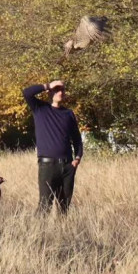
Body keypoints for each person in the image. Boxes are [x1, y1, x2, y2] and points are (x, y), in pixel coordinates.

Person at [23, 80, 84, 212]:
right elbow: (27, 93)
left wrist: (77, 158)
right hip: (47, 166)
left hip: (67, 166)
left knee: (65, 207)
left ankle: (63, 231)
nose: (60, 92)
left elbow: (77, 138)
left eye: (62, 89)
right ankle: (39, 232)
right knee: (45, 206)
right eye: (57, 89)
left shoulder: (68, 114)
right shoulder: (40, 108)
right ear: (50, 92)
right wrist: (47, 85)